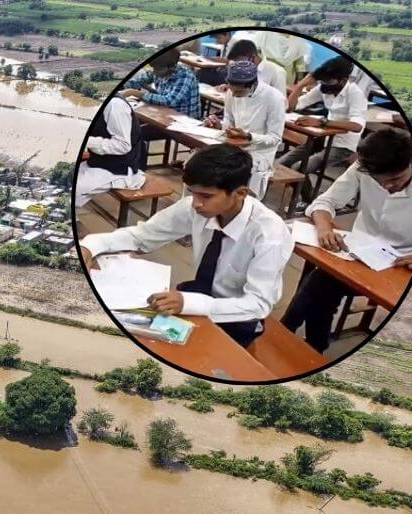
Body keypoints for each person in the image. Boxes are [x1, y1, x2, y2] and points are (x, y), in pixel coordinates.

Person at [80, 144, 292, 347]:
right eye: (192, 193)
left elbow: (258, 304)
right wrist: (91, 245)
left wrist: (187, 303)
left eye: (206, 196)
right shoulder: (198, 207)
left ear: (240, 194)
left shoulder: (269, 233)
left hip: (237, 317)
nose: (196, 203)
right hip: (195, 295)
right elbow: (142, 236)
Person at [281, 128, 412, 352]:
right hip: (358, 252)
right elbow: (325, 202)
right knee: (321, 285)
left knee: (319, 285)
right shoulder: (362, 168)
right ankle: (307, 344)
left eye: (395, 179)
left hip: (400, 266)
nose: (387, 186)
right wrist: (324, 227)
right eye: (379, 181)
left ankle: (292, 336)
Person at [281, 56, 367, 200]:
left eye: (329, 80)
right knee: (282, 164)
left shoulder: (354, 93)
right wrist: (301, 85)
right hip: (322, 138)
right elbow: (292, 107)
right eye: (323, 80)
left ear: (343, 79)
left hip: (342, 146)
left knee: (298, 168)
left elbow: (357, 126)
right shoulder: (323, 88)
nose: (325, 83)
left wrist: (322, 122)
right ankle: (306, 197)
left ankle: (307, 201)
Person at [204, 60, 286, 197]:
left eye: (239, 91)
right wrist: (219, 125)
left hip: (259, 153)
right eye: (231, 89)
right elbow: (229, 119)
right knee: (201, 162)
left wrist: (249, 136)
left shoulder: (274, 98)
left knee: (235, 174)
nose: (234, 94)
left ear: (252, 85)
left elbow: (275, 138)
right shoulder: (231, 92)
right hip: (233, 147)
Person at [74, 94, 145, 207]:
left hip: (119, 170)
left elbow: (123, 145)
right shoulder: (95, 100)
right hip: (97, 163)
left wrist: (88, 141)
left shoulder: (115, 105)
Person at [119, 48, 202, 121]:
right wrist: (122, 87)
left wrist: (134, 93)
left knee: (137, 129)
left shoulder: (185, 76)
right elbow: (138, 80)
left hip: (185, 121)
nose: (153, 72)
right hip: (163, 113)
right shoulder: (158, 70)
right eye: (152, 68)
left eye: (157, 69)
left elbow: (169, 101)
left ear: (171, 67)